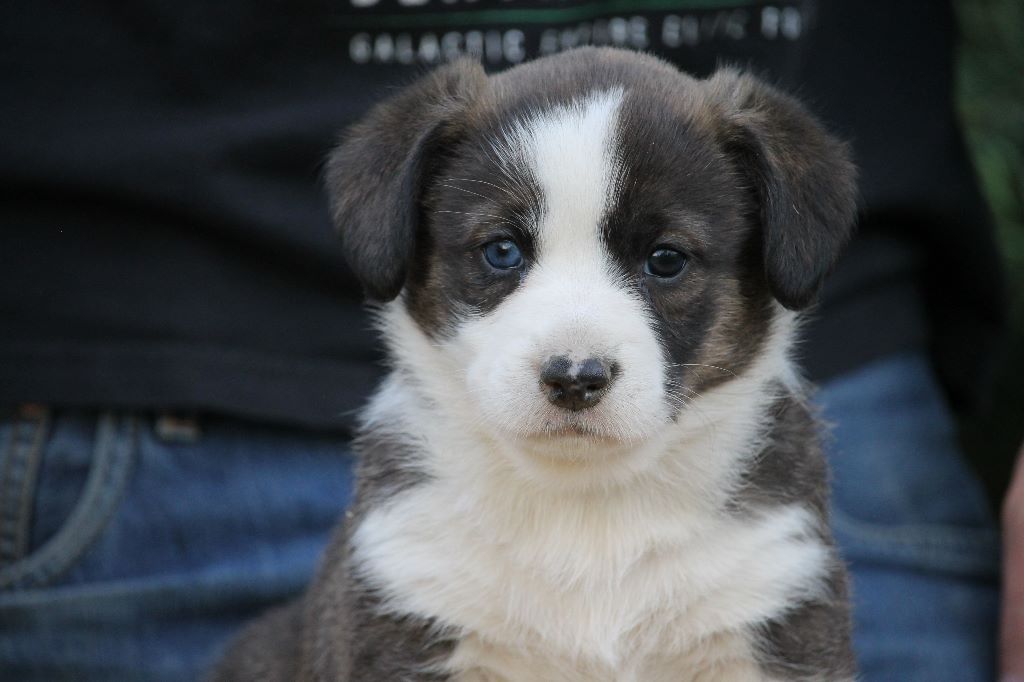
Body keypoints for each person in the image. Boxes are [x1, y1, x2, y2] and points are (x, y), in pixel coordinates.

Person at [0, 1, 1009, 680]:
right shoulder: (414, 557)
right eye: (501, 252)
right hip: (123, 395)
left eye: (664, 261)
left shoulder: (767, 544)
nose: (575, 357)